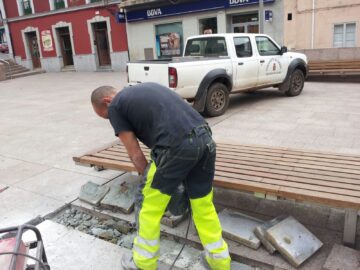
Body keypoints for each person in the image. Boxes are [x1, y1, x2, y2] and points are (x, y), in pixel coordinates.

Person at [91, 82, 231, 270]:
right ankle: (219, 262)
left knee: (148, 205)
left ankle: (143, 263)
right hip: (205, 139)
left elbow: (135, 153)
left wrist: (147, 181)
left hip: (176, 146)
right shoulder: (144, 88)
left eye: (105, 116)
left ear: (107, 101)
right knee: (203, 205)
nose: (110, 120)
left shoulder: (116, 105)